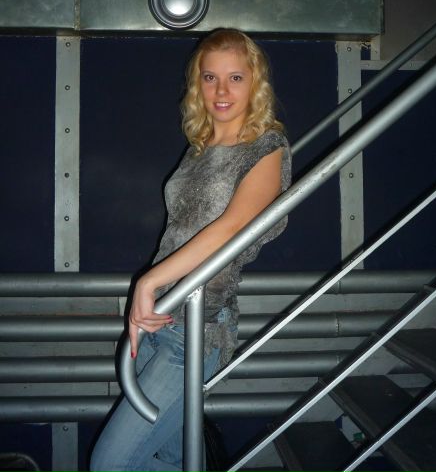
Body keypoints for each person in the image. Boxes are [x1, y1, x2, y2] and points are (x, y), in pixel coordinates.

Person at [90, 28, 292, 472]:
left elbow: (233, 227)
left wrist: (149, 281)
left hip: (198, 329)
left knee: (110, 465)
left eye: (235, 78)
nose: (221, 90)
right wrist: (155, 291)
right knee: (173, 458)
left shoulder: (267, 147)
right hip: (164, 318)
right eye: (210, 77)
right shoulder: (199, 148)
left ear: (255, 83)